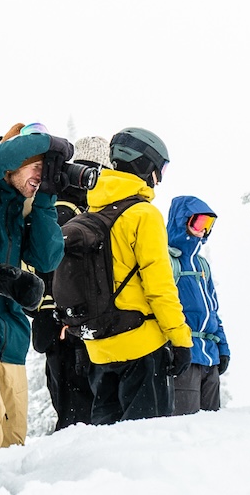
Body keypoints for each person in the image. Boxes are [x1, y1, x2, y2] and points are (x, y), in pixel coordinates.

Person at [82, 128, 192, 424]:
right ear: (147, 166)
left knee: (105, 446)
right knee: (146, 445)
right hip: (141, 349)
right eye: (161, 169)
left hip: (100, 351)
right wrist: (180, 340)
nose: (160, 177)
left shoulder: (92, 212)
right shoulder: (143, 214)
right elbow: (160, 288)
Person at [0, 124, 64, 450]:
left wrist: (46, 200)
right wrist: (42, 144)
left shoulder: (23, 208)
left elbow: (47, 257)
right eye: (36, 166)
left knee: (13, 447)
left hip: (13, 343)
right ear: (12, 159)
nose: (41, 175)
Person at [37, 135, 107, 429]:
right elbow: (50, 267)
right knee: (79, 415)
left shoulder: (58, 207)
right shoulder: (71, 212)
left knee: (76, 412)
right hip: (68, 329)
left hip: (60, 327)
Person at [165, 195, 228, 415]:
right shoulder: (167, 261)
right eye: (199, 222)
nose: (203, 230)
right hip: (185, 357)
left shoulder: (202, 265)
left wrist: (223, 348)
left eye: (208, 224)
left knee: (211, 429)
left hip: (209, 359)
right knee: (186, 426)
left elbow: (213, 312)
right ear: (182, 222)